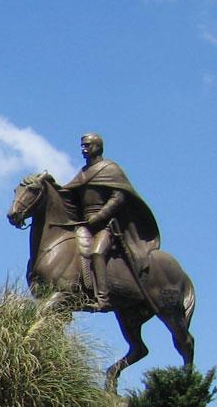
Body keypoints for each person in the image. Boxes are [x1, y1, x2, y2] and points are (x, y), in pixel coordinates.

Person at [56, 133, 160, 311]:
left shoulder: (110, 169)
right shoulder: (82, 172)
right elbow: (68, 194)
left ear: (98, 147)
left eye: (87, 145)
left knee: (97, 252)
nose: (83, 149)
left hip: (107, 225)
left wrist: (100, 216)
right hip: (85, 224)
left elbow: (118, 197)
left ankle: (103, 298)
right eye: (82, 145)